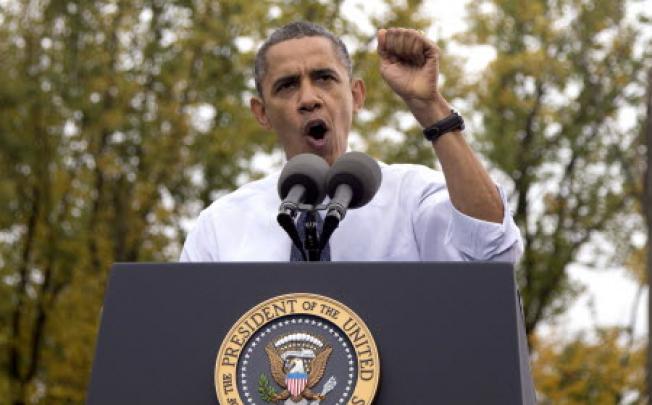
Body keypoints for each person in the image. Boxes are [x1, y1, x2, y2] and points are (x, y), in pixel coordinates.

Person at [180, 21, 522, 262]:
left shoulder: (411, 195)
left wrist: (430, 107)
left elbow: (493, 250)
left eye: (324, 78)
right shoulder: (221, 227)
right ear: (262, 113)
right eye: (287, 86)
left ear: (356, 95)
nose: (309, 98)